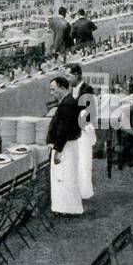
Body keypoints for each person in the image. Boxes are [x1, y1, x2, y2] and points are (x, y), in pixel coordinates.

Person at [46, 75, 85, 216]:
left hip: (65, 147)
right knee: (67, 177)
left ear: (62, 88)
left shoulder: (67, 104)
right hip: (68, 146)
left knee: (64, 177)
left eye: (53, 89)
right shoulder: (68, 101)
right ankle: (66, 208)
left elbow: (64, 129)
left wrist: (57, 149)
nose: (52, 93)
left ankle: (67, 209)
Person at [67, 62, 97, 201]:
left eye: (68, 76)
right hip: (74, 130)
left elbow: (89, 113)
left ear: (77, 75)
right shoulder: (72, 89)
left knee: (84, 162)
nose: (67, 79)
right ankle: (77, 190)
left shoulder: (87, 89)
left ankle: (85, 193)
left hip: (83, 131)